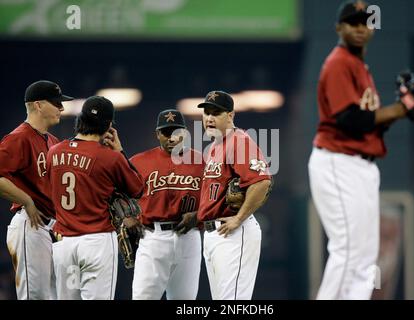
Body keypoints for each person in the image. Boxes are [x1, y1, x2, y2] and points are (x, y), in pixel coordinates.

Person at [308, 0, 414, 299]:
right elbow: (350, 119)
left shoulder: (359, 67)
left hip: (360, 164)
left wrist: (401, 111)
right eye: (352, 22)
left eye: (365, 22)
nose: (359, 28)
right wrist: (399, 109)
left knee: (366, 254)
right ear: (339, 28)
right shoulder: (339, 63)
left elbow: (370, 125)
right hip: (338, 161)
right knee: (348, 249)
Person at [47, 96, 144, 300]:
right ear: (109, 125)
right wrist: (120, 150)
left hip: (63, 244)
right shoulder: (110, 157)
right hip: (96, 242)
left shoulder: (53, 152)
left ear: (80, 120)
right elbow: (137, 189)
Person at [0, 80, 73, 300]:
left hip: (51, 228)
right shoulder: (18, 138)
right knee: (36, 296)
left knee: (54, 295)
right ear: (38, 105)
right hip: (30, 224)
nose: (61, 108)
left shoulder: (52, 140)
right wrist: (26, 200)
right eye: (56, 103)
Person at [196, 90, 272, 300]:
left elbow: (262, 181)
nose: (209, 118)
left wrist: (239, 218)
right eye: (206, 113)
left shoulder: (239, 141)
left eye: (216, 113)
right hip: (214, 234)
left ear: (230, 115)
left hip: (234, 233)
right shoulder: (213, 147)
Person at [130, 109, 204, 300]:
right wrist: (126, 217)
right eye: (166, 132)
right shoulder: (138, 162)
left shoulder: (201, 162)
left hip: (189, 237)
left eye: (176, 132)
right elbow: (117, 194)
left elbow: (214, 199)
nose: (172, 138)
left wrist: (199, 215)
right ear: (157, 134)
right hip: (153, 236)